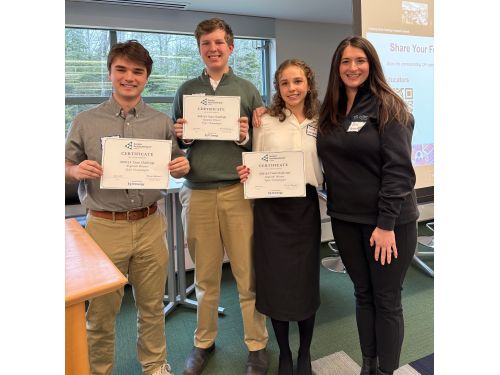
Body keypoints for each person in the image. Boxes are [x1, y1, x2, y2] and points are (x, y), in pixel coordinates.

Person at [65, 40, 190, 375]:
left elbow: (176, 159)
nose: (129, 77)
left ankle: (154, 366)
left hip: (151, 223)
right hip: (105, 226)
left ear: (147, 77)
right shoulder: (85, 121)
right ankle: (98, 370)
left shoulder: (160, 121)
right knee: (101, 314)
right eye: (121, 69)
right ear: (110, 73)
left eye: (137, 71)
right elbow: (65, 164)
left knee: (151, 306)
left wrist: (181, 166)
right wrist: (75, 170)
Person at [316, 36, 419, 375]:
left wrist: (387, 224)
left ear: (371, 64)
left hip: (387, 224)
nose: (353, 67)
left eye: (360, 60)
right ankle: (369, 365)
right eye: (345, 61)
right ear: (337, 67)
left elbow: (399, 171)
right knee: (363, 294)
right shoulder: (330, 110)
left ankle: (385, 371)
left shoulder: (389, 106)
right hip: (345, 219)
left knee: (386, 300)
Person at [171, 18, 269, 375]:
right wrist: (182, 139)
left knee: (247, 275)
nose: (212, 49)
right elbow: (175, 146)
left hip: (237, 193)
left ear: (231, 47)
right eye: (205, 44)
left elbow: (262, 145)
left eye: (218, 43)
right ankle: (203, 342)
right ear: (199, 49)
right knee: (206, 277)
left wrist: (245, 138)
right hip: (196, 194)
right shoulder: (185, 89)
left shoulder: (247, 89)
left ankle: (256, 345)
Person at [237, 59, 323, 375]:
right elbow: (255, 161)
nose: (292, 88)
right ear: (278, 88)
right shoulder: (266, 120)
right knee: (275, 284)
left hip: (305, 208)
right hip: (271, 210)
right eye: (285, 83)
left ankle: (305, 354)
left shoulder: (321, 119)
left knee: (305, 283)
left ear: (309, 84)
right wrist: (247, 172)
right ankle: (285, 354)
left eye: (298, 81)